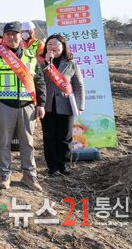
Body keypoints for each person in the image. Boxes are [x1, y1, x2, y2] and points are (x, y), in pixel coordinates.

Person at [0, 22, 46, 191]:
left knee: (28, 142)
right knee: (3, 141)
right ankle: (4, 174)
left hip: (27, 105)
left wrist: (41, 104)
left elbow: (39, 81)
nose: (11, 37)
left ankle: (29, 175)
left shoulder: (30, 55)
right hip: (4, 105)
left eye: (15, 33)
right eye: (8, 34)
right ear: (3, 37)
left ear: (20, 35)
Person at [40, 34, 85, 176]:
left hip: (66, 105)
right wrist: (46, 63)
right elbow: (37, 80)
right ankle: (52, 167)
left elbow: (79, 85)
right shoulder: (41, 63)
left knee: (65, 137)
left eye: (56, 44)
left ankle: (63, 165)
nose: (53, 47)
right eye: (49, 44)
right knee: (49, 137)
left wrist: (80, 105)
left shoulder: (71, 63)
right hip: (47, 106)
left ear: (63, 46)